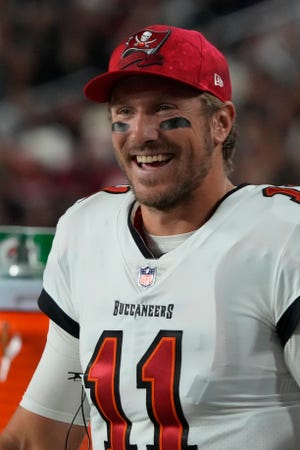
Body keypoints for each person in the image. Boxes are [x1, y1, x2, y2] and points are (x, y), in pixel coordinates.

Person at [1, 23, 300, 450]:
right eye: (123, 113)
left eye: (164, 109)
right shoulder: (86, 229)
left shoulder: (283, 235)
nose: (141, 133)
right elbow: (41, 433)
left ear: (220, 122)